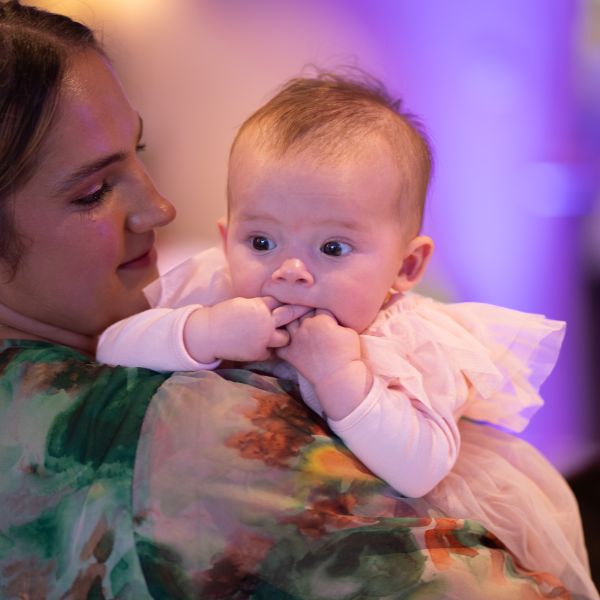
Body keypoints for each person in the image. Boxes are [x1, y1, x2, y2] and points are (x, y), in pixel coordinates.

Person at [0, 1, 593, 598]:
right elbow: (117, 349)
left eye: (333, 248)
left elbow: (421, 467)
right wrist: (204, 331)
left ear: (406, 267)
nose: (291, 271)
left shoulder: (407, 346)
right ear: (228, 237)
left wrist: (345, 381)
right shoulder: (208, 313)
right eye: (95, 189)